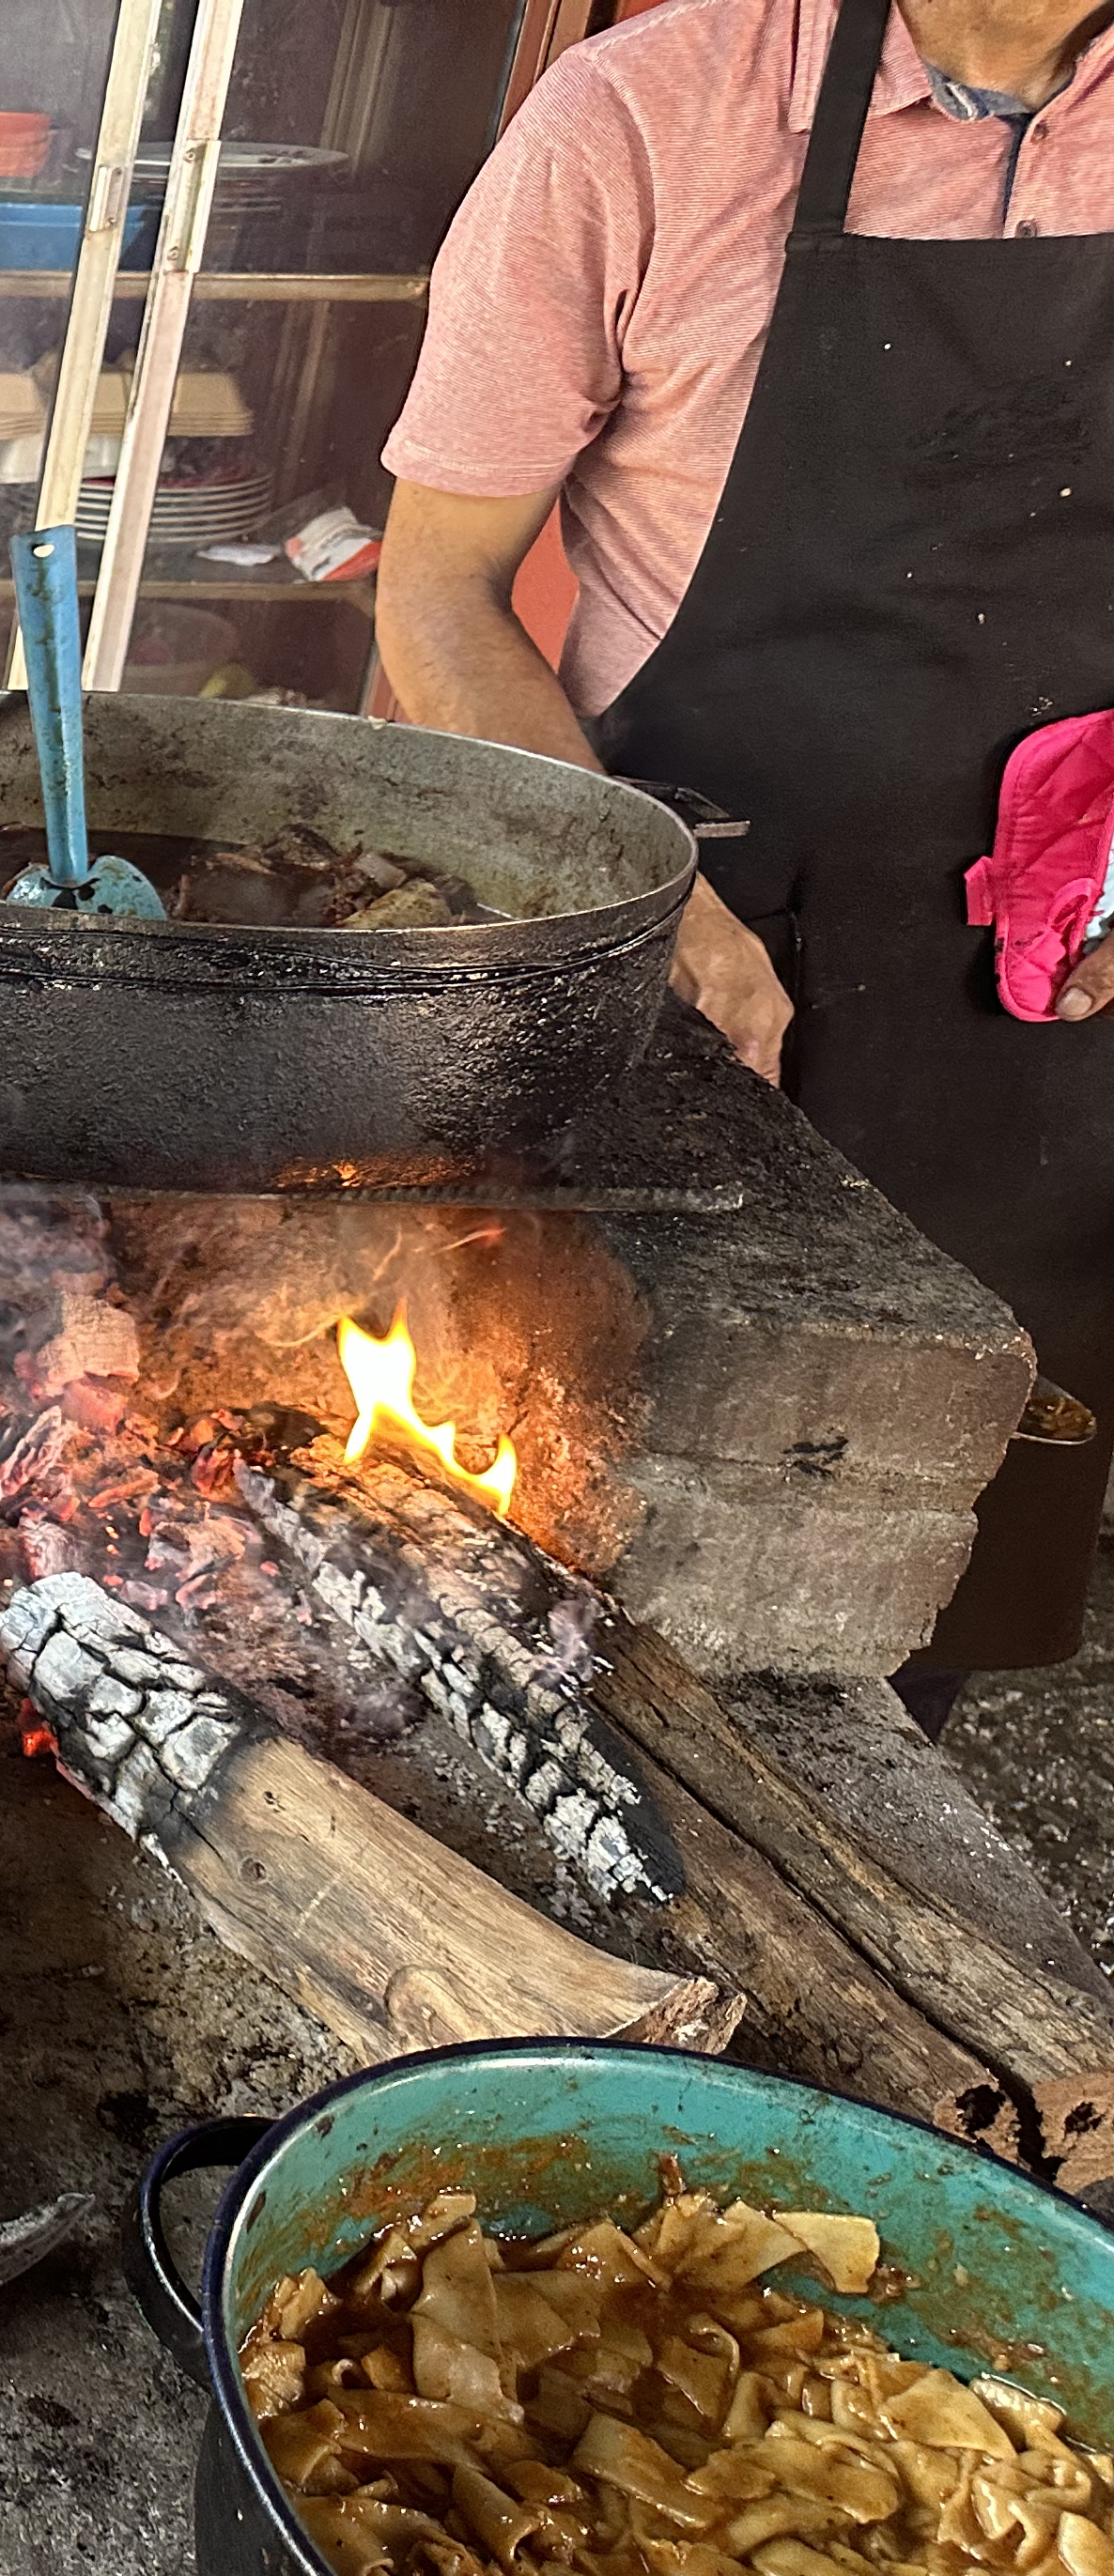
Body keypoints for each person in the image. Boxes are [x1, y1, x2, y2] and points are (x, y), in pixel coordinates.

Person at [377, 0, 1114, 1724]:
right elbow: (438, 591)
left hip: (1048, 989)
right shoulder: (644, 117)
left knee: (902, 1592)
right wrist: (634, 912)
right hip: (703, 948)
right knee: (586, 1545)